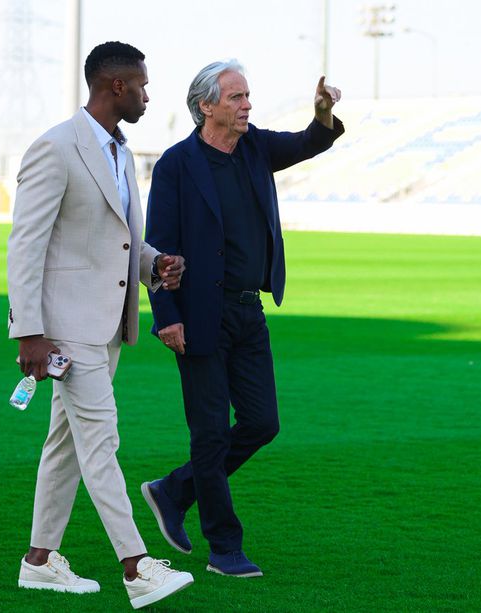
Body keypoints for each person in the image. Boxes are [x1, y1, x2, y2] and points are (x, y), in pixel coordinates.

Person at [6, 41, 192, 609]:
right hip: (66, 331)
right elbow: (26, 243)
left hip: (107, 328)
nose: (147, 93)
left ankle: (40, 561)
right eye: (141, 84)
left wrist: (153, 264)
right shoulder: (56, 147)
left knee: (65, 446)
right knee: (101, 443)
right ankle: (138, 567)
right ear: (116, 86)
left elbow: (118, 241)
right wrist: (28, 331)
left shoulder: (121, 151)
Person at [141, 60, 344, 577]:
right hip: (197, 313)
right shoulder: (176, 165)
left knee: (261, 422)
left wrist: (322, 113)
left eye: (247, 96)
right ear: (206, 106)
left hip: (248, 311)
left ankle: (175, 489)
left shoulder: (255, 147)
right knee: (209, 434)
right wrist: (165, 314)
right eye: (236, 98)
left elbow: (308, 143)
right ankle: (225, 547)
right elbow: (158, 250)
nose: (247, 105)